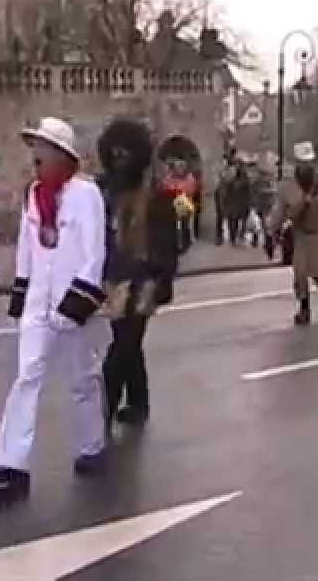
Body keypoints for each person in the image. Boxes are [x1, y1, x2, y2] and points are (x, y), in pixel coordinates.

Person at [0, 118, 109, 533]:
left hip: (72, 305)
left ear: (62, 155)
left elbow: (93, 253)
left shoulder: (85, 195)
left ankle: (92, 444)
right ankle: (12, 466)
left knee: (82, 378)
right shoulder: (35, 195)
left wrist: (76, 305)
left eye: (44, 148)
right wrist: (22, 294)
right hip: (38, 306)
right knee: (26, 376)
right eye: (34, 147)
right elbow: (29, 251)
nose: (36, 156)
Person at [96, 119, 181, 430]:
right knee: (126, 341)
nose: (120, 160)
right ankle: (139, 402)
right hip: (114, 279)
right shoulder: (102, 192)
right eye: (115, 154)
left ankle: (103, 407)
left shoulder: (158, 197)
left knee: (125, 344)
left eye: (125, 154)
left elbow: (169, 244)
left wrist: (162, 280)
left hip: (144, 280)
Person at [270, 142, 318, 325]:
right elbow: (279, 211)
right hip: (300, 233)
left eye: (309, 162)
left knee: (317, 271)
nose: (307, 165)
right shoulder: (287, 187)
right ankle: (304, 309)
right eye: (303, 162)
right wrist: (272, 231)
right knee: (299, 272)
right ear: (296, 164)